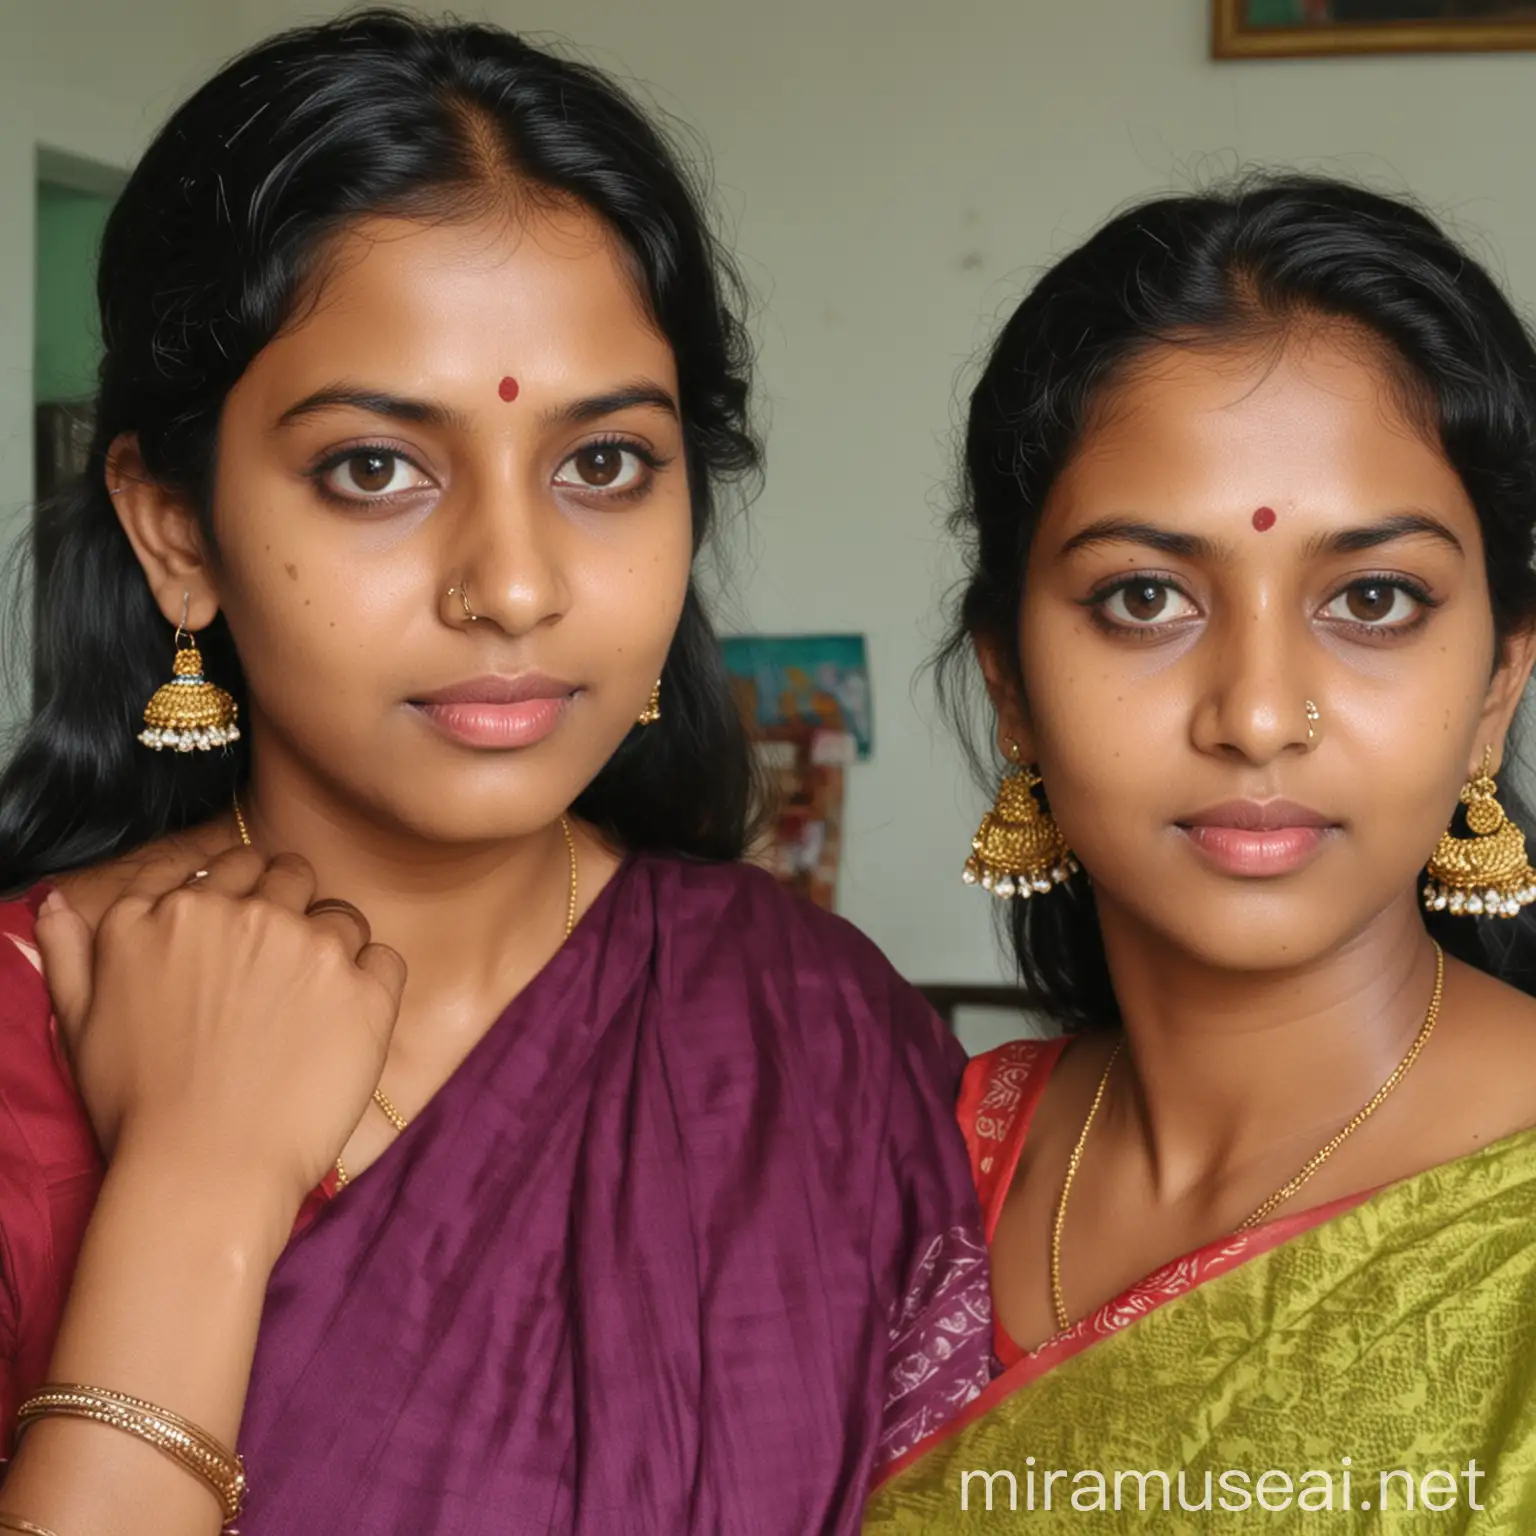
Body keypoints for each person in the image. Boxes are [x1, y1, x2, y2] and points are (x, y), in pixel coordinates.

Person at [0, 13, 992, 1533]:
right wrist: (199, 1179)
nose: (515, 589)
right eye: (375, 468)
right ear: (175, 531)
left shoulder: (822, 1037)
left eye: (603, 465)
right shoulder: (25, 1038)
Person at [865, 177, 1536, 1531]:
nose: (1254, 715)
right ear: (1012, 686)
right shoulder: (908, 1170)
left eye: (1373, 599)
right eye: (1146, 598)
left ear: (1495, 689)